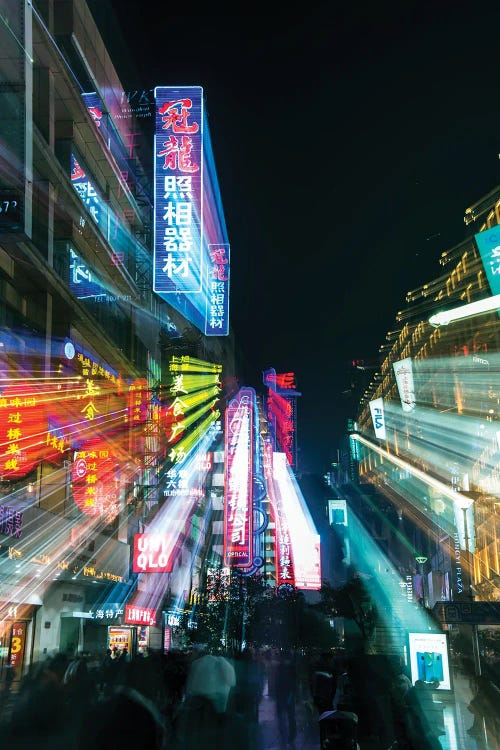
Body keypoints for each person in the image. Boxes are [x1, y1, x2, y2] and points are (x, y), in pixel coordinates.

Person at [271, 648, 298, 746]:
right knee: (288, 715)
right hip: (286, 694)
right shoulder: (287, 666)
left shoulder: (283, 667)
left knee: (286, 715)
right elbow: (295, 682)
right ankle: (289, 734)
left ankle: (288, 734)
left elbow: (278, 680)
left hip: (285, 694)